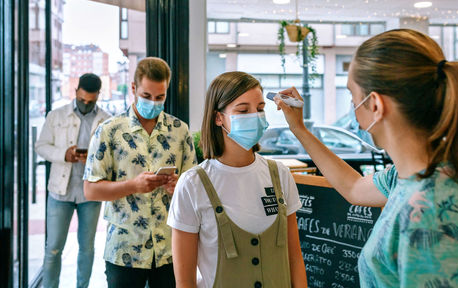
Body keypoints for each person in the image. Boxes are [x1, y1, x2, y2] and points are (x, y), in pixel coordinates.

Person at [275, 29, 458, 287]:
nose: (353, 110)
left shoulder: (430, 217)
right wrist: (299, 130)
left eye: (352, 96)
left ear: (375, 105)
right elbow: (354, 187)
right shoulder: (410, 176)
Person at [167, 71, 307, 288]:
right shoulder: (192, 184)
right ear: (218, 117)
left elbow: (295, 258)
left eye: (260, 109)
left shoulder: (279, 174)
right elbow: (185, 282)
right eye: (243, 110)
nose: (255, 116)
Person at [83, 57, 197, 288]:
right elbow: (90, 190)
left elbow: (195, 189)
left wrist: (179, 188)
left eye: (160, 97)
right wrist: (132, 186)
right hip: (124, 249)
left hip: (170, 247)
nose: (153, 103)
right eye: (146, 96)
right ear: (134, 88)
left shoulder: (179, 131)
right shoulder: (109, 131)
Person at [35, 73, 110, 288]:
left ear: (98, 96)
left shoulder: (106, 119)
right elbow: (41, 145)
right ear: (76, 92)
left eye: (91, 101)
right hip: (61, 191)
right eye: (82, 100)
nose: (85, 104)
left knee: (86, 248)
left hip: (90, 192)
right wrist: (64, 154)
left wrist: (93, 158)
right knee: (53, 248)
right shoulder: (56, 115)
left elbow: (112, 156)